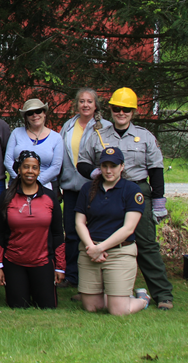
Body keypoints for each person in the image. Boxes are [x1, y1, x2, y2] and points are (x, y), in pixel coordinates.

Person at [79, 87, 172, 309]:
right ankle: (100, 291)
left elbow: (156, 170)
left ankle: (163, 294)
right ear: (110, 109)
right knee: (103, 238)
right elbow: (82, 162)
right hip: (106, 191)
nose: (121, 113)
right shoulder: (98, 134)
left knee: (147, 243)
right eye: (117, 108)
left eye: (126, 109)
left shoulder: (145, 137)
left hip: (137, 191)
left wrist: (158, 202)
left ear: (133, 112)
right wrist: (97, 174)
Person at [74, 145, 151, 315]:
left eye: (113, 166)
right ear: (99, 167)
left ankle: (142, 299)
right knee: (92, 307)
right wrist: (92, 248)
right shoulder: (88, 189)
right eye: (104, 166)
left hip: (119, 252)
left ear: (122, 167)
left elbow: (128, 228)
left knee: (118, 311)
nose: (109, 171)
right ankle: (116, 295)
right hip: (90, 251)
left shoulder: (132, 190)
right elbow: (79, 222)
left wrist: (100, 248)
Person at [0, 149, 64, 308]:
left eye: (34, 167)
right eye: (26, 167)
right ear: (18, 169)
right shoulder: (7, 196)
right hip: (14, 262)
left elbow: (58, 234)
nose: (30, 171)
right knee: (18, 305)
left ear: (39, 170)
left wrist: (60, 267)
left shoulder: (50, 197)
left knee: (46, 307)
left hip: (43, 261)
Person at [58, 88, 114, 286]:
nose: (85, 105)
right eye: (81, 101)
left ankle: (99, 275)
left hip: (96, 187)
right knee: (72, 232)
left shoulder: (105, 127)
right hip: (72, 187)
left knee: (95, 231)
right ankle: (73, 275)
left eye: (89, 101)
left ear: (95, 104)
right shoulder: (68, 126)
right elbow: (61, 156)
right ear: (77, 104)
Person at [5, 98, 63, 192]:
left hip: (45, 187)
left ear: (44, 114)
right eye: (30, 113)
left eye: (38, 111)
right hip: (17, 186)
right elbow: (8, 160)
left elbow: (56, 167)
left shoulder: (56, 138)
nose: (34, 115)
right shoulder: (16, 133)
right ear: (26, 117)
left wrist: (36, 182)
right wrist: (21, 180)